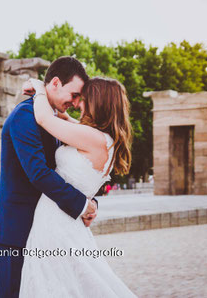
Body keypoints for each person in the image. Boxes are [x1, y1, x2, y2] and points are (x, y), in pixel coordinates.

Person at [0, 57, 98, 298]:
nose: (76, 102)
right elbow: (38, 172)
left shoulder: (54, 119)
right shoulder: (24, 116)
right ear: (55, 83)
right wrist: (81, 205)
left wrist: (91, 202)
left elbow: (71, 169)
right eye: (75, 94)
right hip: (16, 232)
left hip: (47, 231)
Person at [19, 76, 136, 297]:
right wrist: (62, 111)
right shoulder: (105, 139)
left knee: (53, 284)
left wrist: (39, 87)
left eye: (83, 99)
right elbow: (68, 121)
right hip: (68, 221)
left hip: (55, 222)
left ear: (96, 102)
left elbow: (44, 118)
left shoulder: (91, 137)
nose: (78, 103)